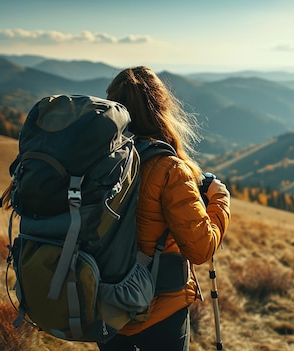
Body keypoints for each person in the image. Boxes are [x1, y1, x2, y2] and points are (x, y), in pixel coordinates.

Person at [99, 66, 231, 350]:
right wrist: (219, 199)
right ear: (161, 108)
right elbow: (201, 248)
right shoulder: (169, 169)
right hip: (158, 309)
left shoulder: (97, 161)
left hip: (104, 301)